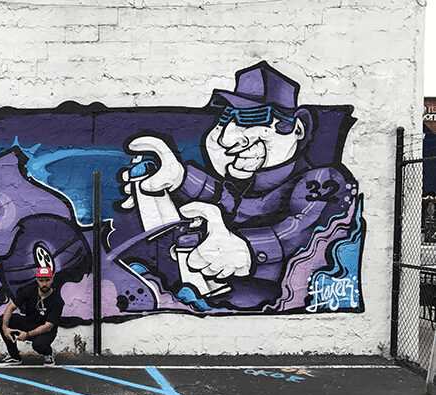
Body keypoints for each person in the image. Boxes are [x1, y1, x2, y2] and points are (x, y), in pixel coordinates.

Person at [116, 61, 357, 309]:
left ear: (297, 127)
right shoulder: (253, 187)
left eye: (252, 118)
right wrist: (179, 178)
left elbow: (304, 228)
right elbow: (231, 202)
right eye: (228, 118)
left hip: (276, 296)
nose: (226, 139)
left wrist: (245, 248)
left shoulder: (322, 180)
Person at [0, 266, 64, 366]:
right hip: (29, 323)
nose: (44, 284)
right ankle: (14, 356)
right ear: (37, 280)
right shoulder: (30, 291)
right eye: (41, 280)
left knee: (38, 345)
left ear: (52, 280)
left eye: (47, 280)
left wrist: (27, 335)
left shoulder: (57, 300)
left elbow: (48, 326)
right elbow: (11, 307)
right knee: (3, 321)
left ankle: (48, 353)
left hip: (46, 331)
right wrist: (5, 328)